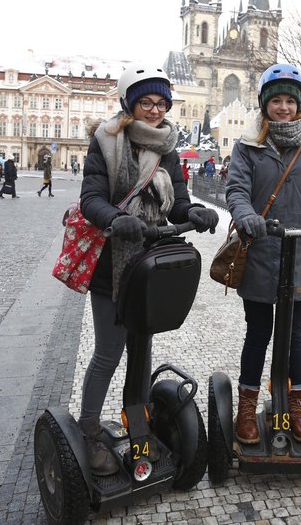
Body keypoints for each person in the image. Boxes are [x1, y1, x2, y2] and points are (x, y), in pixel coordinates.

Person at [77, 62, 219, 475]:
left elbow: (176, 201)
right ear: (129, 104)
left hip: (151, 263)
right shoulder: (106, 142)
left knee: (143, 349)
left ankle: (136, 423)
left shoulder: (167, 147)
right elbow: (91, 197)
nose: (154, 110)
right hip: (114, 263)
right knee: (109, 351)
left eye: (161, 103)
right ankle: (88, 430)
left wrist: (194, 209)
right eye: (146, 103)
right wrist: (112, 220)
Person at [225, 63, 301, 446]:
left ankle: (295, 406)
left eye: (289, 102)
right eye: (275, 100)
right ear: (264, 104)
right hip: (260, 252)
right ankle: (247, 406)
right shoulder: (247, 146)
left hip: (297, 253)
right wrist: (244, 215)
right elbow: (237, 190)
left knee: (293, 335)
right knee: (258, 333)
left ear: (298, 106)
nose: (282, 108)